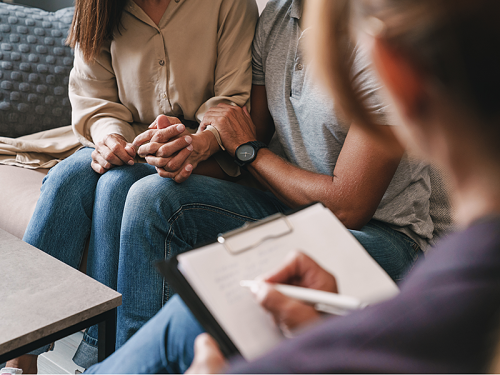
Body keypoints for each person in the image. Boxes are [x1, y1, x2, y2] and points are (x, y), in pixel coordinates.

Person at [82, 0, 500, 372]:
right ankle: (106, 359)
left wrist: (248, 151)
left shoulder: (376, 31)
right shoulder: (277, 18)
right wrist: (186, 150)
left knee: (194, 314)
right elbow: (249, 143)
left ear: (396, 70)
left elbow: (346, 205)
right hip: (286, 206)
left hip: (380, 234)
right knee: (144, 191)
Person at [7, 0, 258, 373]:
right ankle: (18, 360)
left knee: (115, 184)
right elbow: (95, 99)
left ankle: (103, 357)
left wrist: (196, 140)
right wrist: (110, 138)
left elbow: (232, 100)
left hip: (201, 148)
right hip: (130, 141)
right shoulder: (97, 7)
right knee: (67, 177)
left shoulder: (229, 4)